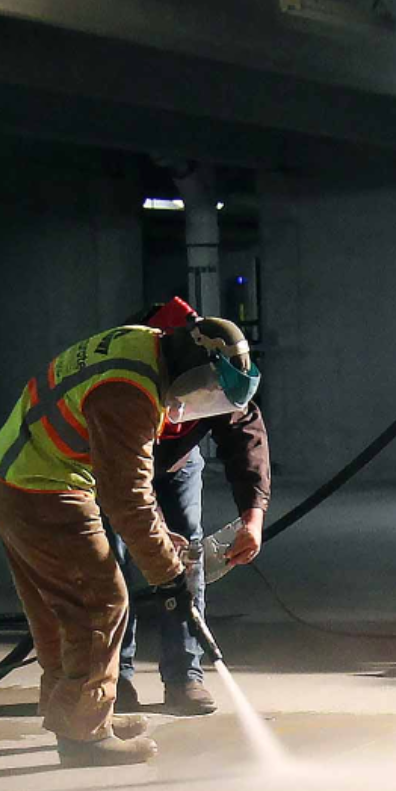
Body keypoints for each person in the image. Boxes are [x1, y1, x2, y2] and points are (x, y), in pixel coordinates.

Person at [0, 313, 261, 767]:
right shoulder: (130, 394)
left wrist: (160, 543)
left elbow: (126, 493)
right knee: (101, 603)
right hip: (43, 488)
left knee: (60, 607)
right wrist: (170, 576)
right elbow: (126, 497)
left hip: (16, 476)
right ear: (194, 372)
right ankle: (84, 737)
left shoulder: (146, 345)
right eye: (208, 394)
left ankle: (81, 712)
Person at [109, 297, 271, 716]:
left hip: (176, 459)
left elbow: (244, 438)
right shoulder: (133, 367)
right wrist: (155, 528)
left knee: (189, 558)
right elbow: (126, 482)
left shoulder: (214, 367)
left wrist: (252, 519)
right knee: (110, 562)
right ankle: (114, 678)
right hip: (114, 458)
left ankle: (185, 675)